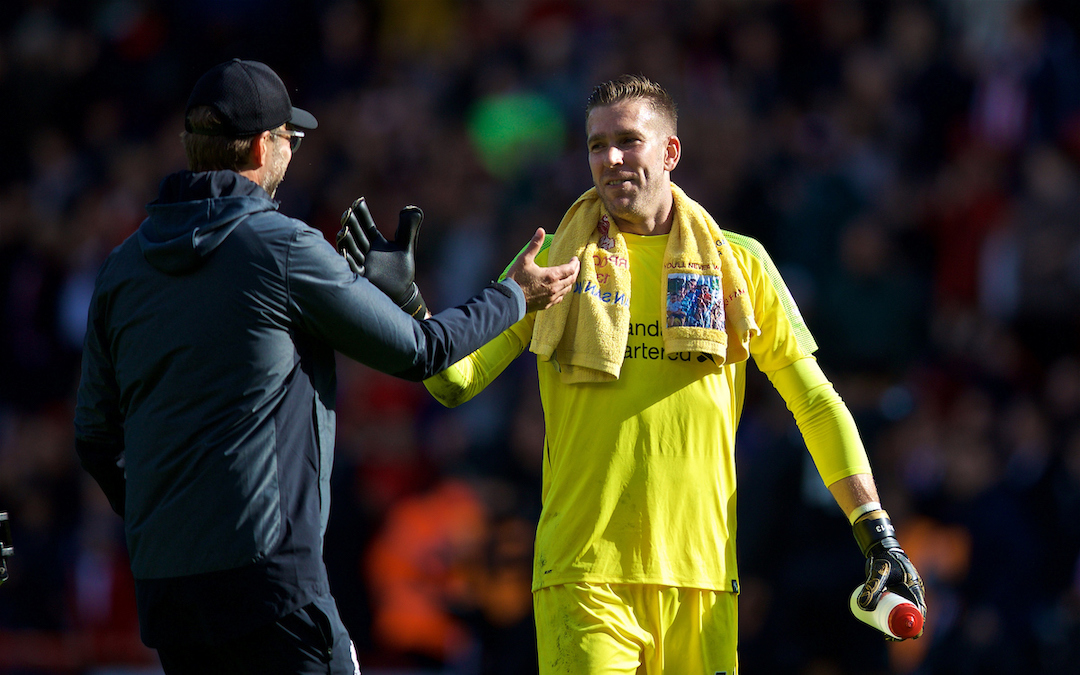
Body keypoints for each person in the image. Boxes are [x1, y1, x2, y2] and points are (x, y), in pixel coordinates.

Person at [73, 58, 579, 675]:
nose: (293, 151)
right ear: (263, 145)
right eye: (291, 138)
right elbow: (425, 353)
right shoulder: (281, 246)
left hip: (167, 590)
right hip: (269, 581)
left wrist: (167, 518)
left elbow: (95, 436)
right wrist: (515, 295)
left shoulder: (123, 266)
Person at [411, 75, 927, 673]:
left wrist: (875, 528)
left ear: (670, 151)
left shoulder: (741, 264)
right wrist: (408, 308)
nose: (610, 159)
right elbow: (452, 382)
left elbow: (814, 401)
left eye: (629, 140)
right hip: (585, 577)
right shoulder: (551, 262)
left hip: (703, 582)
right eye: (596, 145)